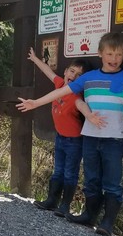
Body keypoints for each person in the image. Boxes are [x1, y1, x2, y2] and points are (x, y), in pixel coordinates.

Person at [16, 32, 123, 236]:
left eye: (119, 54)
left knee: (112, 181)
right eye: (110, 54)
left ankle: (108, 223)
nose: (114, 59)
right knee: (91, 179)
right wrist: (36, 102)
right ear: (100, 54)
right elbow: (61, 91)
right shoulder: (88, 78)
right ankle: (89, 216)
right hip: (90, 137)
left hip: (114, 138)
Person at [26, 47, 104, 217]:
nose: (74, 76)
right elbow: (48, 71)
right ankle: (51, 201)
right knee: (58, 170)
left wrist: (90, 116)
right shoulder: (60, 85)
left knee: (70, 173)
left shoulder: (76, 96)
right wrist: (34, 59)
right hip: (60, 138)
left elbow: (82, 106)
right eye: (72, 71)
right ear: (66, 71)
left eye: (79, 75)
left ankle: (64, 206)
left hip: (74, 141)